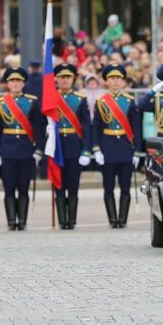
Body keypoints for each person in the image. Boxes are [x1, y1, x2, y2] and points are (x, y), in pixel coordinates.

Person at [0, 67, 44, 231]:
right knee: (9, 186)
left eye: (18, 81)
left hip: (26, 148)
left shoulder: (32, 102)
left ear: (23, 83)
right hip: (7, 148)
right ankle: (11, 220)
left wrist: (38, 150)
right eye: (12, 81)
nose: (15, 84)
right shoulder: (0, 103)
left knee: (23, 186)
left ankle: (22, 221)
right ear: (7, 84)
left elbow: (38, 128)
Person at [92, 64, 141, 228]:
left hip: (125, 147)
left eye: (118, 78)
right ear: (106, 82)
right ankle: (113, 219)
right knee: (108, 187)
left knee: (125, 187)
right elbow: (96, 128)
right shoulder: (101, 102)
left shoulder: (130, 101)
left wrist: (137, 151)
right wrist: (97, 149)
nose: (115, 81)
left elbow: (136, 128)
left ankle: (123, 219)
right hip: (108, 147)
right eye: (112, 78)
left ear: (123, 81)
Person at [49, 63, 92, 229]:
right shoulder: (50, 98)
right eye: (61, 77)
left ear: (73, 78)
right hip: (57, 146)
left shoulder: (80, 100)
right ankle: (62, 220)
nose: (65, 80)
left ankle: (71, 220)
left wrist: (86, 150)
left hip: (74, 145)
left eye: (68, 77)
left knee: (73, 184)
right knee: (58, 184)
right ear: (56, 79)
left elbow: (87, 126)